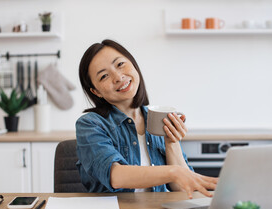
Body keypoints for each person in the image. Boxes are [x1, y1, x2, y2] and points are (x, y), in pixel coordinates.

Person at [76, 39, 217, 198]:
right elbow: (115, 176)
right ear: (96, 92)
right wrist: (173, 172)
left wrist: (172, 142)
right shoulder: (90, 124)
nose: (118, 76)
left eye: (120, 64)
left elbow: (182, 188)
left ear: (133, 64)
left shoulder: (157, 117)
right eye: (104, 76)